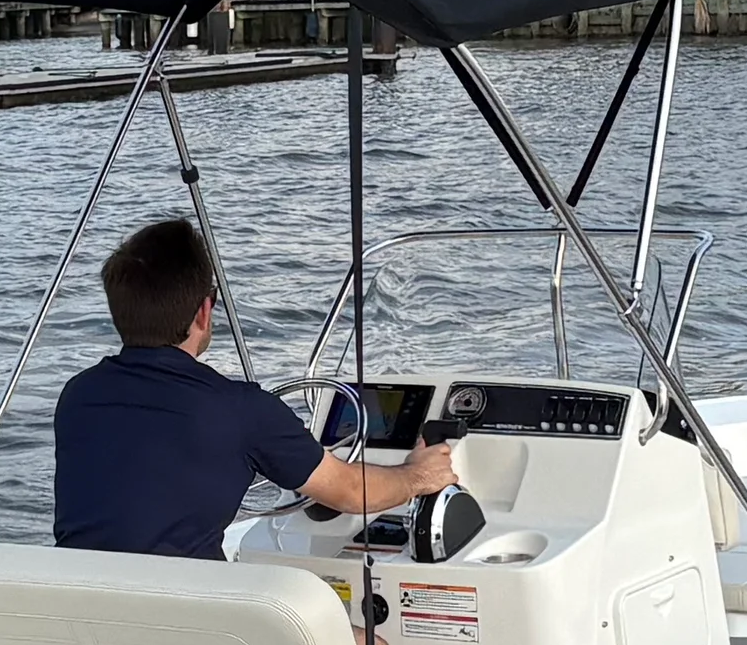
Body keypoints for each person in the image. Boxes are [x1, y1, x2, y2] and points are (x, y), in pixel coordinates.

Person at [53, 216, 456, 563]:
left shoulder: (77, 398)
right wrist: (417, 475)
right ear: (204, 312)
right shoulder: (243, 410)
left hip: (85, 611)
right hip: (183, 622)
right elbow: (350, 493)